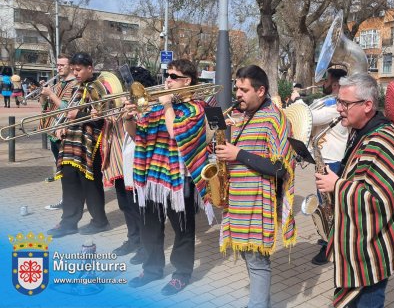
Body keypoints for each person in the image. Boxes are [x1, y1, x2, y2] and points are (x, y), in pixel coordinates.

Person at [315, 74, 394, 308]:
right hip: (362, 241)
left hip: (372, 248)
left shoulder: (382, 141)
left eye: (345, 103)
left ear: (367, 105)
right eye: (339, 101)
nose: (339, 108)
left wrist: (337, 186)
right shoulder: (362, 131)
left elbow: (379, 199)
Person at [124, 59, 207, 295]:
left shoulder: (196, 108)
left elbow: (176, 132)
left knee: (182, 229)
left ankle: (181, 273)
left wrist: (168, 105)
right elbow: (137, 134)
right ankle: (152, 269)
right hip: (151, 178)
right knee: (150, 227)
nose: (167, 80)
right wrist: (128, 117)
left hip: (178, 181)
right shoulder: (157, 106)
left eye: (172, 76)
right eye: (166, 75)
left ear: (187, 81)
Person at [215, 65, 296, 308]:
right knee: (250, 259)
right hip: (239, 201)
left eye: (244, 89)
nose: (237, 94)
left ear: (261, 91)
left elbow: (280, 168)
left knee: (258, 263)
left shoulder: (275, 118)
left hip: (257, 203)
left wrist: (237, 153)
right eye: (237, 88)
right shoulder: (245, 116)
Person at [46, 52, 110, 238]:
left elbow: (101, 117)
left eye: (79, 69)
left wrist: (77, 116)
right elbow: (69, 111)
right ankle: (68, 222)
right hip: (71, 140)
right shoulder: (77, 87)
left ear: (90, 68)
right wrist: (62, 126)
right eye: (73, 69)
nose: (76, 73)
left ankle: (100, 221)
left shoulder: (98, 86)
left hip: (90, 141)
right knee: (69, 182)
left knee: (90, 183)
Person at [101, 67, 156, 266]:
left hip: (139, 163)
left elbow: (141, 132)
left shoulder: (147, 104)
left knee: (138, 208)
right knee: (125, 205)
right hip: (119, 161)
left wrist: (131, 114)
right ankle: (133, 239)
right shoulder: (123, 103)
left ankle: (144, 244)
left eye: (128, 87)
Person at [307, 68, 348, 266]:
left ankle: (330, 247)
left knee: (329, 206)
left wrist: (297, 101)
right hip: (325, 159)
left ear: (334, 84)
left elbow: (310, 118)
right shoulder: (331, 103)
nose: (322, 83)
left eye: (326, 80)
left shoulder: (336, 107)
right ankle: (327, 237)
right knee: (326, 205)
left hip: (332, 162)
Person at [42, 53, 77, 196]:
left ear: (70, 66)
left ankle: (70, 201)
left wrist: (51, 94)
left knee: (68, 172)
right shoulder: (56, 85)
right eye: (57, 65)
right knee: (60, 170)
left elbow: (67, 108)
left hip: (65, 132)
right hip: (53, 132)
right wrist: (44, 95)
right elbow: (44, 106)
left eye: (62, 65)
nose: (59, 68)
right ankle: (67, 200)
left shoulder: (75, 84)